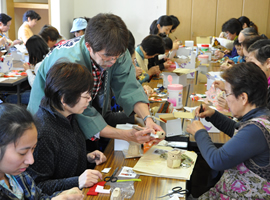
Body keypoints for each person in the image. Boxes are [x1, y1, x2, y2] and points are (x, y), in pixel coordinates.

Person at [27, 14, 161, 149]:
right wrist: (125, 135)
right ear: (89, 46)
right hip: (50, 115)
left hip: (75, 113)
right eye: (107, 56)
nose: (113, 61)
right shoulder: (69, 62)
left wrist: (147, 119)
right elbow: (83, 113)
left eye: (117, 56)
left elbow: (129, 88)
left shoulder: (115, 49)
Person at [187, 62, 270, 199]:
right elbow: (239, 133)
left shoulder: (256, 130)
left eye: (227, 93)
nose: (226, 98)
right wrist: (213, 115)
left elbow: (217, 160)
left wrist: (199, 132)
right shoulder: (262, 115)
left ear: (243, 98)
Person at [27, 62, 107, 195]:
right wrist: (77, 181)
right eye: (86, 96)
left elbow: (62, 156)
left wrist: (86, 157)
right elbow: (38, 186)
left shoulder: (68, 115)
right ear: (64, 98)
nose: (89, 100)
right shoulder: (43, 131)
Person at [0, 103, 84, 199]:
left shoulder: (19, 176)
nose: (31, 160)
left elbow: (38, 197)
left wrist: (61, 195)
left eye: (33, 149)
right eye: (22, 153)